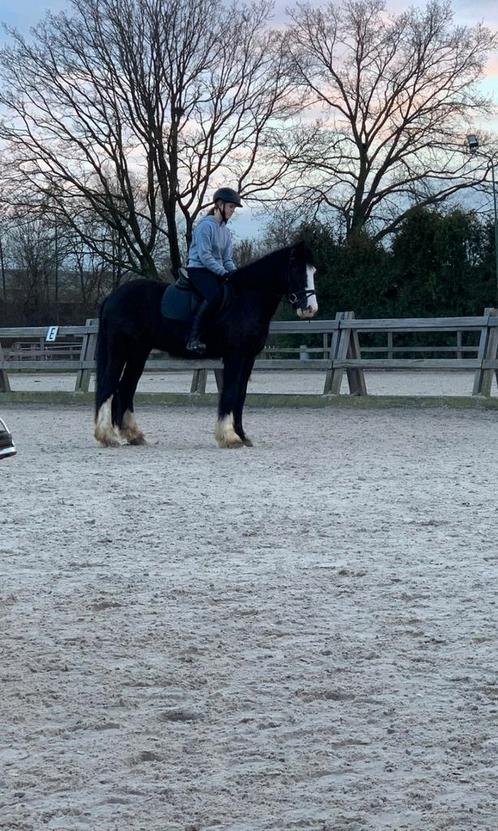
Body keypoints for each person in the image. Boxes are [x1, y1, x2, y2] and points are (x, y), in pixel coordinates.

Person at [185, 187, 242, 355]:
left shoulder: (226, 231)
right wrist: (223, 272)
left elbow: (227, 259)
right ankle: (193, 338)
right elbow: (205, 256)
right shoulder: (205, 227)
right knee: (215, 296)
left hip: (215, 270)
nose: (232, 211)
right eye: (231, 207)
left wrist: (236, 274)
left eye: (234, 208)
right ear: (219, 205)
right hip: (198, 269)